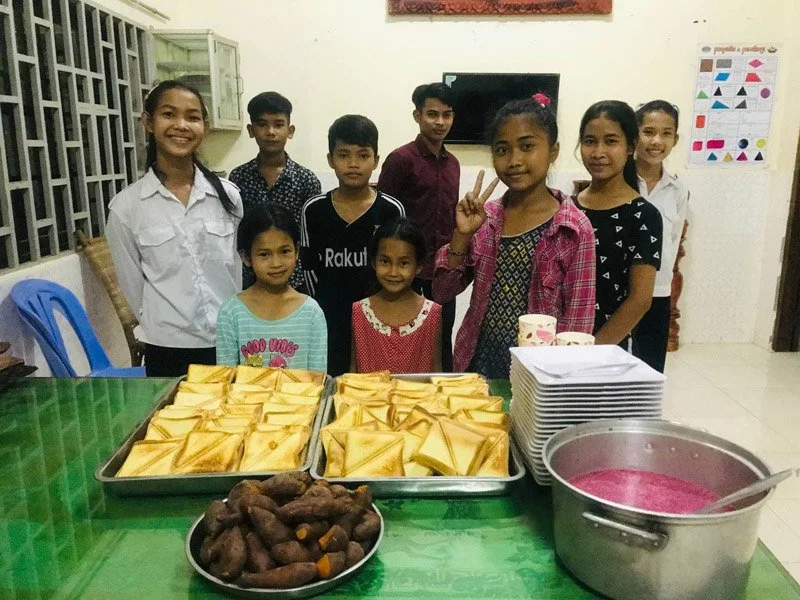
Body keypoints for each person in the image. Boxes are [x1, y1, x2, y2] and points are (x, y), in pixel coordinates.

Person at [434, 94, 596, 378]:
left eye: (527, 146)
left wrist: (559, 382)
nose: (514, 160)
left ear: (553, 151)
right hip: (477, 363)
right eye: (502, 149)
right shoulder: (485, 218)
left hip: (539, 374)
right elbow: (442, 292)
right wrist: (461, 235)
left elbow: (578, 321)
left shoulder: (573, 228)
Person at [107, 80, 243, 377]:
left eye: (192, 117)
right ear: (148, 122)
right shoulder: (127, 208)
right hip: (167, 349)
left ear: (204, 126)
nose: (181, 125)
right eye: (169, 114)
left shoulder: (228, 197)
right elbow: (134, 290)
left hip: (228, 339)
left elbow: (236, 271)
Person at [300, 115, 405, 376]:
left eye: (363, 155)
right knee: (331, 383)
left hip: (378, 320)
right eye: (344, 155)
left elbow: (401, 266)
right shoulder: (314, 210)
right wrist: (323, 308)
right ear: (330, 159)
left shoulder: (391, 210)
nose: (353, 164)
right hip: (329, 320)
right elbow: (307, 268)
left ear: (376, 160)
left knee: (375, 385)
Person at [377, 82, 459, 371]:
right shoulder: (400, 160)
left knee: (442, 341)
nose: (440, 122)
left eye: (447, 115)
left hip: (442, 273)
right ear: (417, 116)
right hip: (406, 273)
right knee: (405, 343)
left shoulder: (453, 164)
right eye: (432, 114)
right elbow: (383, 216)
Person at [573, 100, 663, 347]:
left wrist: (592, 351)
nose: (598, 152)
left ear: (630, 147)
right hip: (559, 342)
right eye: (590, 141)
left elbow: (640, 300)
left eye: (611, 141)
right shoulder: (568, 208)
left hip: (605, 348)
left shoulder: (644, 215)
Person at [216, 203, 327, 370]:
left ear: (296, 250)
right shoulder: (231, 312)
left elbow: (318, 378)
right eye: (264, 254)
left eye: (284, 251)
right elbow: (225, 377)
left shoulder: (311, 312)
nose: (276, 263)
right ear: (246, 257)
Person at [229, 92, 321, 290]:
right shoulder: (238, 178)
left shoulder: (306, 180)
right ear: (251, 130)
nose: (270, 132)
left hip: (295, 280)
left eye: (278, 124)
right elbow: (236, 231)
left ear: (290, 130)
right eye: (262, 124)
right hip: (251, 279)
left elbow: (313, 237)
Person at [631, 101, 690, 373]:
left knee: (651, 370)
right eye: (648, 132)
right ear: (635, 135)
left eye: (666, 133)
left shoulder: (678, 190)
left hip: (658, 292)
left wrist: (665, 286)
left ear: (675, 139)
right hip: (620, 291)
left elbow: (673, 242)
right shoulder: (619, 182)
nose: (657, 141)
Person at [351, 218, 442, 373]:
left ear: (418, 266)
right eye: (385, 261)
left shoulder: (432, 313)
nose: (393, 272)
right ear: (373, 262)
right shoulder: (360, 311)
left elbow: (436, 372)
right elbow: (353, 372)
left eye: (403, 263)